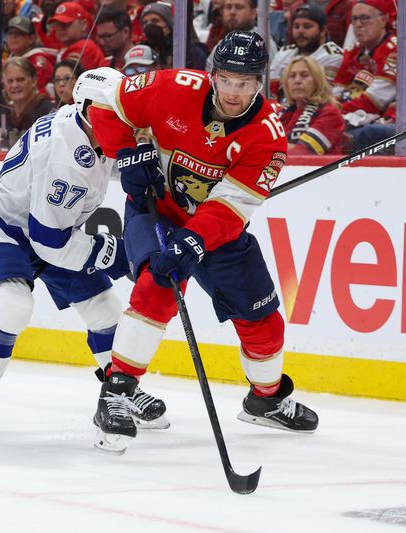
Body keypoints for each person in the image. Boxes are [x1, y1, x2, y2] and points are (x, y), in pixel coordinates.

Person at [87, 30, 319, 454]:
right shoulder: (172, 87)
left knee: (264, 321)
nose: (233, 92)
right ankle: (116, 393)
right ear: (213, 74)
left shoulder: (268, 136)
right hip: (156, 207)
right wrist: (125, 154)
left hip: (217, 231)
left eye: (245, 83)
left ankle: (265, 399)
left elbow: (231, 206)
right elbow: (104, 103)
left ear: (259, 83)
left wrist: (194, 240)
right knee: (157, 285)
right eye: (227, 79)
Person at [0, 67, 168, 439]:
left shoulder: (85, 122)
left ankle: (121, 389)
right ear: (87, 108)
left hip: (46, 224)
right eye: (113, 112)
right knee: (12, 306)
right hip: (1, 227)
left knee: (105, 309)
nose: (123, 120)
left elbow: (111, 163)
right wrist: (118, 254)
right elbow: (49, 243)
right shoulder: (67, 160)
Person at [333, 0, 397, 149]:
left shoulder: (394, 50)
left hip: (383, 121)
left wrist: (334, 112)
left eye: (365, 18)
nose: (358, 24)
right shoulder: (353, 51)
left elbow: (374, 101)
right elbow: (336, 88)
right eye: (354, 19)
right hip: (352, 114)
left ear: (383, 20)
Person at [269, 3, 343, 100]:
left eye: (307, 26)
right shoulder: (285, 52)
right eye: (296, 26)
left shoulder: (332, 55)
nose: (300, 31)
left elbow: (323, 95)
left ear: (323, 30)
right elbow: (271, 92)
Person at [279, 55, 345, 155]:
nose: (297, 81)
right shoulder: (281, 113)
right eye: (292, 76)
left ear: (317, 81)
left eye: (304, 75)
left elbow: (303, 153)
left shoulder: (331, 114)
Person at [0, 57, 55, 148]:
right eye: (10, 81)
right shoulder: (3, 114)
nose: (15, 85)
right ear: (4, 85)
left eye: (20, 80)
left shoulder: (49, 112)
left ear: (34, 81)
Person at [6, 15, 56, 97]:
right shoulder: (8, 61)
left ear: (31, 38)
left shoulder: (39, 62)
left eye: (19, 33)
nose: (13, 37)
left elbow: (35, 94)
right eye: (10, 33)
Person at [49, 1, 106, 70]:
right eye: (57, 24)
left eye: (65, 24)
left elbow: (68, 79)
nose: (60, 28)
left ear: (83, 25)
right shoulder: (69, 47)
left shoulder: (84, 47)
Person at [96, 5, 134, 71]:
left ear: (125, 32)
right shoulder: (105, 65)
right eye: (100, 37)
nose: (102, 42)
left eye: (107, 36)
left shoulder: (145, 63)